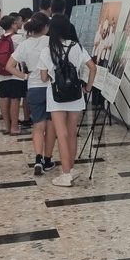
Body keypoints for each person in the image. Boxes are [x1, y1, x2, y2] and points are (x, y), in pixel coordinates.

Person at [38, 15, 96, 187]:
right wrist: (88, 88)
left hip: (56, 96)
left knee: (61, 134)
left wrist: (53, 75)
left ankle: (65, 174)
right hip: (75, 95)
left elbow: (43, 78)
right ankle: (71, 168)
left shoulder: (47, 50)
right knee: (72, 133)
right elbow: (92, 68)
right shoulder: (77, 46)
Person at [7, 12, 55, 175]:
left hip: (33, 88)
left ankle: (38, 159)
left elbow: (9, 66)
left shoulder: (25, 44)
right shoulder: (51, 42)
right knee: (51, 126)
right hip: (50, 88)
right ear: (45, 27)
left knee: (38, 126)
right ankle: (47, 160)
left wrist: (25, 76)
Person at [0, 15, 26, 135]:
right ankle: (14, 127)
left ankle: (7, 127)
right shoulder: (18, 38)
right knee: (15, 100)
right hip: (15, 73)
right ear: (13, 24)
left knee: (4, 98)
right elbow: (23, 56)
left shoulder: (0, 38)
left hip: (2, 73)